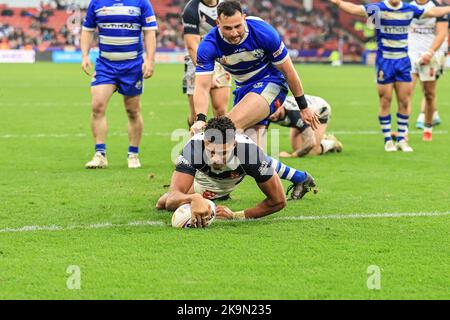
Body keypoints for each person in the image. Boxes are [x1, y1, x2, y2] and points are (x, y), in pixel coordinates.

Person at [189, 0, 318, 195]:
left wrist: (303, 106)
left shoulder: (264, 32)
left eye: (238, 26)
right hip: (244, 91)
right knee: (250, 154)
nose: (234, 33)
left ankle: (210, 189)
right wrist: (199, 118)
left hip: (271, 83)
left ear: (244, 19)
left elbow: (289, 72)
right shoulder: (209, 44)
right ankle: (300, 178)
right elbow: (202, 86)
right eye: (228, 28)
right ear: (218, 24)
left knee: (224, 130)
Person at [330, 0, 450, 152]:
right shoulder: (378, 8)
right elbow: (354, 9)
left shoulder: (409, 9)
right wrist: (337, 2)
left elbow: (433, 12)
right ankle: (387, 140)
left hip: (403, 61)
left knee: (405, 101)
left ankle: (401, 139)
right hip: (385, 61)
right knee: (385, 100)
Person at [156, 117, 316, 226]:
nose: (216, 159)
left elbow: (279, 201)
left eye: (223, 153)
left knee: (262, 163)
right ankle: (210, 195)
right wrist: (194, 198)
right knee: (163, 203)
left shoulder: (250, 153)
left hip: (231, 181)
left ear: (234, 144)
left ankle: (300, 177)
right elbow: (172, 198)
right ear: (205, 143)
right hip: (204, 180)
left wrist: (236, 215)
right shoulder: (193, 148)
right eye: (212, 152)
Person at [81, 0, 157, 169]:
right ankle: (100, 154)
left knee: (132, 110)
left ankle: (133, 154)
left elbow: (149, 33)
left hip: (132, 66)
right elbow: (87, 30)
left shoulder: (141, 3)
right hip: (105, 65)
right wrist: (85, 55)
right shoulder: (97, 3)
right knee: (97, 106)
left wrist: (150, 60)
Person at [182, 0, 231, 127]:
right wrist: (208, 75)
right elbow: (192, 46)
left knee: (221, 112)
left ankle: (220, 145)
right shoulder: (191, 9)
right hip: (196, 60)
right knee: (196, 115)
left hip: (220, 60)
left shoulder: (226, 5)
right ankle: (194, 145)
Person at [410, 0, 448, 140]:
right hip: (410, 56)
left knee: (429, 94)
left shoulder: (439, 8)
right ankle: (403, 132)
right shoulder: (408, 5)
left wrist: (430, 52)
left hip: (431, 56)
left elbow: (442, 33)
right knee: (406, 93)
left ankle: (428, 128)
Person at [269, 96, 343, 157]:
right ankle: (322, 137)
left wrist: (291, 155)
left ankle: (332, 143)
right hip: (299, 115)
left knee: (312, 151)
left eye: (274, 111)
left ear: (280, 106)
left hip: (320, 110)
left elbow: (311, 143)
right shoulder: (265, 112)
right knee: (298, 148)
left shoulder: (295, 113)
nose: (271, 116)